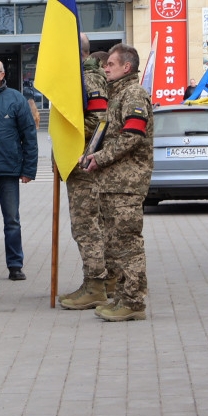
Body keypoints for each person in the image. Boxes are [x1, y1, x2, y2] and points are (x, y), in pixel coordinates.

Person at [81, 43, 153, 322]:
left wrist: (100, 158)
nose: (105, 68)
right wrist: (90, 154)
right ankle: (122, 298)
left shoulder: (133, 94)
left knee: (128, 245)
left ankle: (133, 302)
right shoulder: (117, 94)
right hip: (112, 183)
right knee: (115, 245)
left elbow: (132, 135)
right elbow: (106, 134)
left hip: (127, 183)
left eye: (110, 64)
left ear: (126, 67)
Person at [60, 38, 112, 310]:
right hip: (84, 161)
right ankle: (105, 281)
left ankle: (95, 285)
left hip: (85, 163)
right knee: (94, 224)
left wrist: (71, 142)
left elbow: (99, 120)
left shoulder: (88, 77)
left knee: (86, 226)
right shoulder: (82, 76)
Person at [0, 58, 38, 281]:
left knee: (12, 220)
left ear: (2, 75)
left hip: (9, 169)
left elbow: (29, 135)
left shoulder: (16, 99)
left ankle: (15, 265)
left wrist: (28, 170)